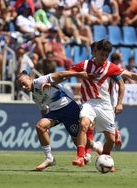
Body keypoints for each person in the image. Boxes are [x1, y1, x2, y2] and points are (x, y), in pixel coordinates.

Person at [16, 70, 103, 171]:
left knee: (78, 140)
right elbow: (44, 110)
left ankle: (96, 146)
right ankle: (49, 158)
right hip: (55, 112)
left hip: (68, 107)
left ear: (29, 79)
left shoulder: (40, 81)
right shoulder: (35, 96)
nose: (23, 87)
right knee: (40, 126)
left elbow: (61, 74)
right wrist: (45, 128)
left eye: (23, 83)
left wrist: (78, 74)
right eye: (20, 86)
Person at [70, 39, 125, 167]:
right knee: (83, 124)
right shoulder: (84, 65)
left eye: (106, 55)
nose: (104, 58)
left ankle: (106, 160)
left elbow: (121, 85)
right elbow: (67, 73)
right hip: (89, 103)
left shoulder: (111, 67)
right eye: (102, 55)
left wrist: (119, 103)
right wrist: (51, 81)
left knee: (111, 140)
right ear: (95, 52)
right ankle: (80, 157)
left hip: (105, 105)